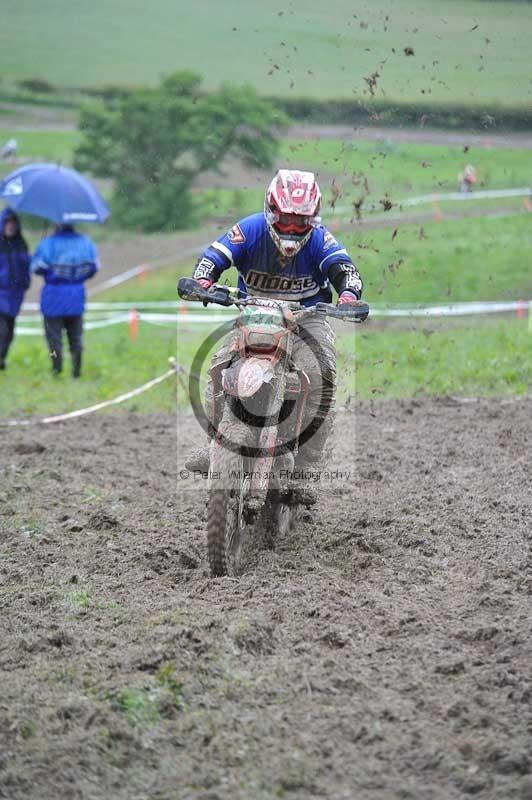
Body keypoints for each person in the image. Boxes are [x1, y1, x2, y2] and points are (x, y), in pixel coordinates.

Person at [185, 169, 363, 484]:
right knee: (219, 366)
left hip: (307, 320)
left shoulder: (321, 240)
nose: (292, 229)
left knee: (323, 374)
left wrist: (348, 295)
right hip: (254, 315)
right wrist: (203, 280)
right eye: (285, 221)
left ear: (314, 219)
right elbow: (214, 256)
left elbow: (345, 270)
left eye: (300, 222)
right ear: (271, 211)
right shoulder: (250, 229)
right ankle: (215, 444)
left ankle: (306, 466)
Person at [31, 224, 100, 377]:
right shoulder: (85, 242)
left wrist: (39, 252)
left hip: (53, 298)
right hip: (76, 297)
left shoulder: (48, 243)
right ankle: (76, 371)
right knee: (76, 338)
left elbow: (37, 267)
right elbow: (94, 268)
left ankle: (57, 368)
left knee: (53, 340)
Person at [0, 207, 30, 371]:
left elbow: (25, 268)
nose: (10, 226)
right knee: (3, 330)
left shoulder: (21, 244)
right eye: (7, 223)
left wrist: (25, 282)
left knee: (10, 332)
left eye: (13, 223)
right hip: (1, 294)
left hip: (15, 296)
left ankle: (2, 359)